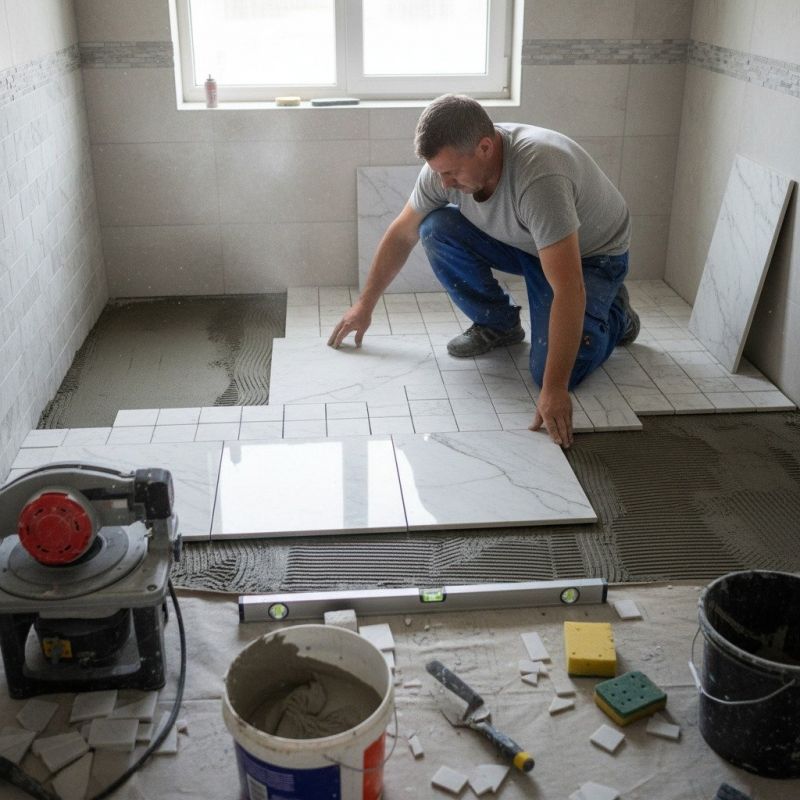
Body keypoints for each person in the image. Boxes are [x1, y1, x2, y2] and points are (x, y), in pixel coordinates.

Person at [328, 94, 639, 449]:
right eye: (439, 172)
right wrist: (364, 306)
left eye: (451, 172)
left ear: (486, 147)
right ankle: (498, 324)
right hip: (527, 243)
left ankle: (615, 316)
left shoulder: (540, 178)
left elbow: (568, 289)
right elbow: (402, 233)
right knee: (435, 228)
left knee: (554, 371)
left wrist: (554, 391)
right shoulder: (443, 172)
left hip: (589, 257)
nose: (444, 183)